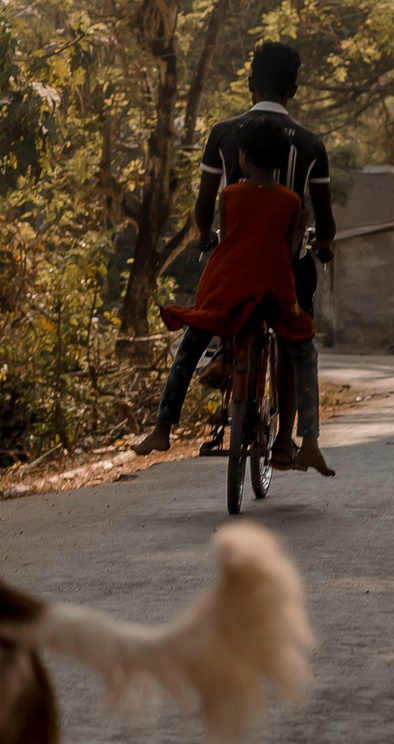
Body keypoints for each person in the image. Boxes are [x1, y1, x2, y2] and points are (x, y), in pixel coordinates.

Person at [130, 114, 334, 474]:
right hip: (274, 290)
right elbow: (286, 254)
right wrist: (301, 226)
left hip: (228, 287)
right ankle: (311, 443)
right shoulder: (289, 202)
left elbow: (227, 240)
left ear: (243, 158)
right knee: (303, 352)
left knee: (190, 345)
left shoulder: (229, 194)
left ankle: (162, 428)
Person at [192, 41, 336, 473]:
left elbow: (203, 210)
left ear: (250, 83)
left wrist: (206, 234)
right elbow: (325, 221)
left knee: (218, 298)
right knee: (294, 341)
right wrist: (323, 244)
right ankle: (284, 442)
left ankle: (221, 353)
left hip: (236, 264)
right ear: (294, 88)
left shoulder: (222, 132)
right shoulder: (312, 144)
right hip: (286, 269)